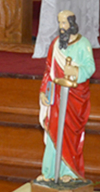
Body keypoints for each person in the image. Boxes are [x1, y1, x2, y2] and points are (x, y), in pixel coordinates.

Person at [38, 10, 95, 180]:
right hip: (56, 96)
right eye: (59, 23)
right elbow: (49, 69)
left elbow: (90, 68)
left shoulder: (83, 44)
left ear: (72, 23)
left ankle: (69, 173)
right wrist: (43, 91)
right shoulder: (56, 44)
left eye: (64, 23)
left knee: (70, 135)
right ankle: (49, 172)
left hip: (74, 97)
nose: (61, 27)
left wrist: (76, 71)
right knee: (54, 131)